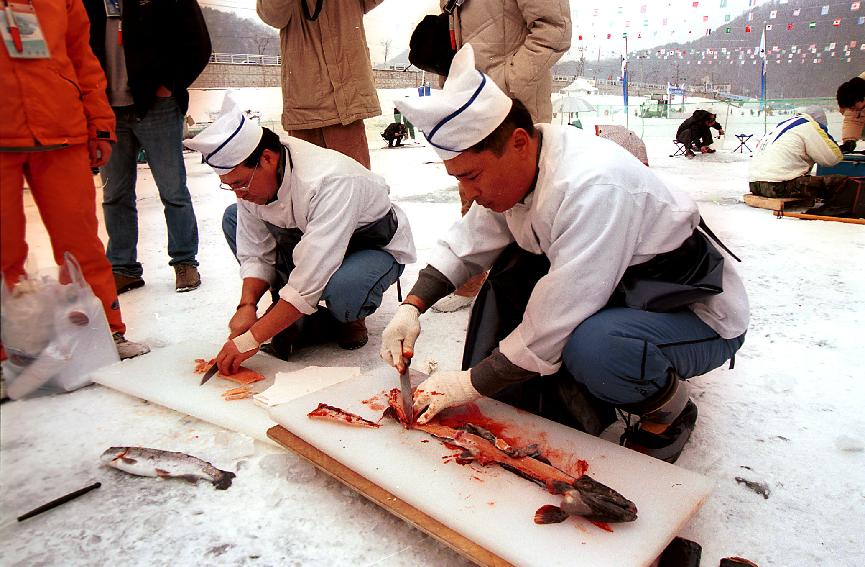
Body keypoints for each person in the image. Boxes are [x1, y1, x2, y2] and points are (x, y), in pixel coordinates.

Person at [380, 45, 749, 463]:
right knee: (512, 269)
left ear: (518, 142)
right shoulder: (525, 166)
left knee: (594, 347)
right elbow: (468, 244)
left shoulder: (593, 187)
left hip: (694, 316)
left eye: (472, 177)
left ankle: (669, 409)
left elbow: (553, 321)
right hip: (622, 299)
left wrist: (469, 384)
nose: (469, 194)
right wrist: (412, 306)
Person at [185, 95, 416, 374]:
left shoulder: (330, 181)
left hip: (369, 246)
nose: (239, 194)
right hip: (313, 241)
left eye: (240, 184)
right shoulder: (252, 180)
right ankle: (295, 313)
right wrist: (247, 305)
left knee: (343, 293)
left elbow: (309, 279)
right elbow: (256, 252)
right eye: (230, 186)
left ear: (267, 159)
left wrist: (251, 338)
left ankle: (341, 318)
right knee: (233, 217)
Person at [1, 0, 148, 360]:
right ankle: (5, 355)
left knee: (80, 245)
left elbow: (83, 57)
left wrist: (99, 123)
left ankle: (103, 331)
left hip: (61, 131)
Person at [431, 0, 571, 313]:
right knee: (474, 190)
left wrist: (504, 84)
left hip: (511, 105)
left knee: (527, 202)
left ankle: (538, 296)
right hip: (469, 103)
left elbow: (555, 29)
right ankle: (473, 284)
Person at [83, 0, 211, 294]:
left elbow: (199, 44)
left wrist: (169, 84)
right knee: (115, 194)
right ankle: (123, 268)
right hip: (107, 111)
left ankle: (185, 262)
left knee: (173, 190)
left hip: (158, 107)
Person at [257, 0, 383, 169]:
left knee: (357, 184)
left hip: (347, 105)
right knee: (309, 188)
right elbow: (273, 16)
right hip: (305, 109)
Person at [748, 107, 848, 203]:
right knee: (839, 182)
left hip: (755, 185)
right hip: (778, 187)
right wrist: (842, 149)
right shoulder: (810, 125)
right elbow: (831, 159)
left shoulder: (783, 125)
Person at [836, 73, 865, 153]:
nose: (854, 110)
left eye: (854, 107)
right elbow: (853, 119)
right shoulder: (855, 90)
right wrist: (849, 141)